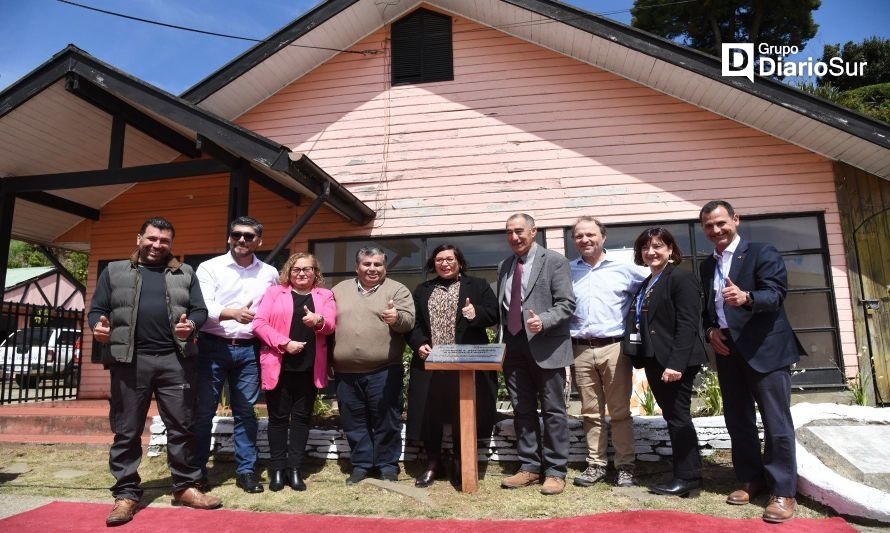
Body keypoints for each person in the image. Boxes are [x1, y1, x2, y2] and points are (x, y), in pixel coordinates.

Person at [89, 217, 221, 527]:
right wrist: (98, 327)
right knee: (127, 428)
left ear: (171, 244)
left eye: (164, 240)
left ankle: (185, 486)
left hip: (176, 360)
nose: (157, 245)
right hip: (129, 361)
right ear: (139, 239)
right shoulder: (115, 271)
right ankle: (126, 493)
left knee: (182, 425)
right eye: (151, 238)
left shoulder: (184, 272)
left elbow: (200, 310)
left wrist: (193, 325)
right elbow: (98, 308)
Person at [699, 200, 805, 523]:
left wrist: (747, 298)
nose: (716, 230)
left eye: (721, 223)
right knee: (738, 419)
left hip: (765, 350)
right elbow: (708, 309)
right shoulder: (707, 266)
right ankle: (751, 478)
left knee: (776, 422)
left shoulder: (762, 252)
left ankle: (783, 491)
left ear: (736, 220)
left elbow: (776, 294)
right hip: (729, 351)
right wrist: (710, 331)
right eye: (709, 226)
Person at [191, 216, 279, 493]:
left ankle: (246, 471)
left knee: (245, 412)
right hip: (212, 346)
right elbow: (202, 304)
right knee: (204, 412)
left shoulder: (269, 273)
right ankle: (196, 472)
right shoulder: (209, 267)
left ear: (259, 241)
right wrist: (233, 313)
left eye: (249, 236)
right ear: (229, 237)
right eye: (237, 234)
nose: (242, 239)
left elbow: (273, 308)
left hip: (249, 349)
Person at [406, 244, 500, 488]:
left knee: (464, 412)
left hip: (464, 364)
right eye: (439, 260)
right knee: (430, 415)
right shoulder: (423, 289)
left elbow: (494, 315)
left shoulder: (477, 285)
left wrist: (475, 312)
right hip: (431, 362)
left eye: (449, 259)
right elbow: (413, 324)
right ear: (433, 264)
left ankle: (461, 460)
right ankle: (433, 463)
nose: (444, 263)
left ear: (459, 261)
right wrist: (419, 344)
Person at [497, 213, 576, 495]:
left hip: (546, 345)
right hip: (514, 345)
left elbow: (567, 303)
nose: (514, 237)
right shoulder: (504, 265)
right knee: (522, 409)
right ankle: (529, 467)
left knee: (554, 411)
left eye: (519, 231)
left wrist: (544, 319)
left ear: (534, 232)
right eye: (509, 232)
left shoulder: (554, 261)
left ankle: (555, 471)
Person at [626, 227, 707, 498]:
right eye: (646, 248)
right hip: (654, 359)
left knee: (678, 417)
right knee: (673, 417)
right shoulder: (647, 282)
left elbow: (687, 325)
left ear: (671, 249)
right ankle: (686, 473)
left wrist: (676, 364)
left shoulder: (681, 279)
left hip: (674, 362)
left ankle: (688, 478)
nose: (651, 252)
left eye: (658, 246)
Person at [568, 216, 646, 488]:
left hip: (615, 348)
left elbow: (654, 285)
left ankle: (625, 466)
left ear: (603, 237)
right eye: (579, 236)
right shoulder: (568, 271)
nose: (585, 240)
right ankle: (595, 464)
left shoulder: (625, 269)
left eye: (590, 234)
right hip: (579, 349)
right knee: (590, 412)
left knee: (620, 411)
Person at [252, 252, 336, 491]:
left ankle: (295, 469)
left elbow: (330, 326)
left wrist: (319, 321)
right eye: (297, 269)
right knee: (278, 420)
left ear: (315, 272)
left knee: (301, 420)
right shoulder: (274, 293)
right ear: (289, 272)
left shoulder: (325, 295)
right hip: (280, 365)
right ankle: (277, 470)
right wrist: (284, 343)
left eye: (307, 269)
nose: (302, 273)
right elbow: (259, 323)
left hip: (309, 368)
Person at [331, 246, 415, 484]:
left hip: (384, 370)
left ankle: (387, 465)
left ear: (384, 267)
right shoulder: (339, 289)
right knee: (353, 421)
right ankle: (361, 464)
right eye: (367, 264)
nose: (372, 269)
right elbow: (327, 324)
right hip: (345, 372)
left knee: (387, 420)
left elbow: (409, 322)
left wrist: (396, 318)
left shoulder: (397, 289)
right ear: (357, 266)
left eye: (378, 264)